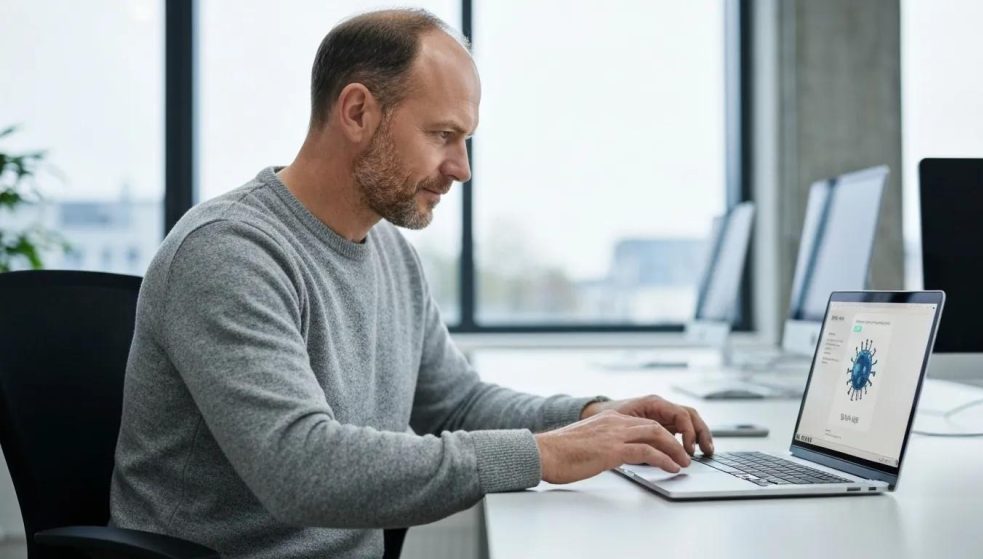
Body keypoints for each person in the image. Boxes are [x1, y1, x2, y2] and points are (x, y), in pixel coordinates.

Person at [109, 8, 714, 559]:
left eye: (466, 140)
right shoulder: (228, 252)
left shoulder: (391, 253)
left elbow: (455, 403)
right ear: (357, 112)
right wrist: (546, 455)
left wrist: (590, 417)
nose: (462, 168)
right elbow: (299, 468)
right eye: (442, 135)